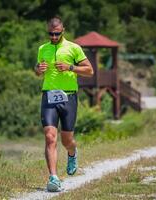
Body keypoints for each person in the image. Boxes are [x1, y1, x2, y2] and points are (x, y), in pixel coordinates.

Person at [35, 16, 93, 192]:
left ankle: (72, 152)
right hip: (49, 97)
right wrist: (38, 70)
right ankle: (53, 177)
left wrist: (70, 67)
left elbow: (90, 71)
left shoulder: (73, 48)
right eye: (50, 34)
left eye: (56, 34)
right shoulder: (42, 48)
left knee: (66, 140)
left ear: (63, 31)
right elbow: (38, 70)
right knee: (50, 137)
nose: (53, 37)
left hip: (69, 98)